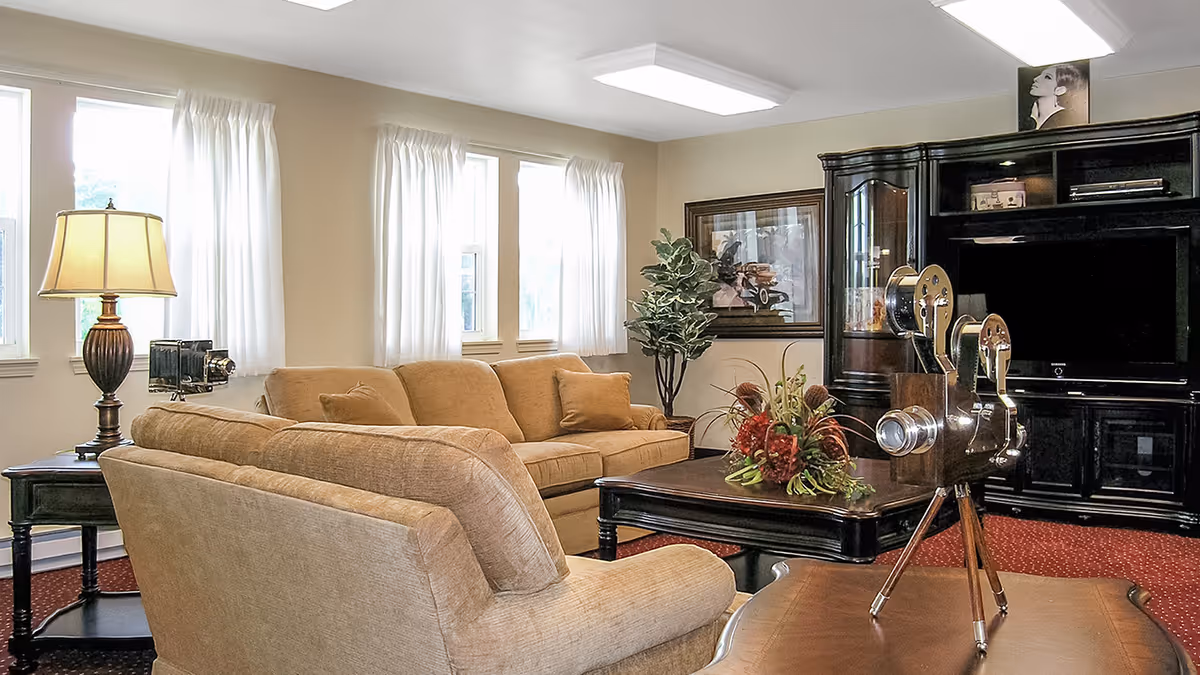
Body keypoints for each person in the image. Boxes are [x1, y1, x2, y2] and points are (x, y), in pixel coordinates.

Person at [1028, 63, 1084, 130]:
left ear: (1060, 90)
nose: (1035, 79)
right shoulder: (1031, 114)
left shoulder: (1065, 118)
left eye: (1047, 77)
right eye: (1040, 75)